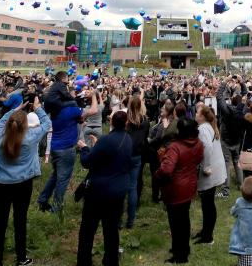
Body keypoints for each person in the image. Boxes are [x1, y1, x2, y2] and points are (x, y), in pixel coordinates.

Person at [0, 97, 50, 266]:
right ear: (26, 125)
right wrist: (37, 108)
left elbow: (0, 121)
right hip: (23, 184)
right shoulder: (31, 137)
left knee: (0, 222)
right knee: (20, 220)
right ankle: (21, 258)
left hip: (1, 184)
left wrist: (14, 110)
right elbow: (46, 123)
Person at [76, 111, 134, 266]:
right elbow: (110, 158)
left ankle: (84, 261)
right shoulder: (127, 139)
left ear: (112, 122)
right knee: (111, 230)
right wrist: (97, 146)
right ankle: (111, 260)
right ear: (126, 123)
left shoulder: (107, 140)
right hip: (118, 190)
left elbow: (87, 162)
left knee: (88, 229)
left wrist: (84, 148)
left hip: (99, 192)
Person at [155, 117, 205, 264]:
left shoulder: (175, 147)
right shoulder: (198, 144)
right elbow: (198, 159)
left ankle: (180, 255)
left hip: (175, 189)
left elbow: (166, 170)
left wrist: (157, 173)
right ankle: (182, 248)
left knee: (176, 222)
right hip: (189, 184)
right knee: (184, 219)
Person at [36, 93, 82, 214]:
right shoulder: (71, 111)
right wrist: (94, 95)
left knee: (55, 175)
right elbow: (93, 110)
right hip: (66, 149)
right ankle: (56, 208)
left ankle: (42, 200)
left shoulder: (53, 112)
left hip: (55, 147)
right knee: (63, 180)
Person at [195, 105, 226, 245]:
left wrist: (206, 166)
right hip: (216, 168)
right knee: (207, 203)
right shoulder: (209, 126)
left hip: (210, 170)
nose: (195, 114)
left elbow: (207, 146)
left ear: (202, 116)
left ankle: (208, 237)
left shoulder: (202, 129)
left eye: (197, 112)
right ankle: (205, 231)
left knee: (208, 204)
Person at [123, 94, 149, 229]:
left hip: (125, 154)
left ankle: (118, 220)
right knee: (132, 187)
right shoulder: (145, 121)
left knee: (121, 186)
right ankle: (130, 221)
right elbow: (145, 138)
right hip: (137, 155)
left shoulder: (126, 120)